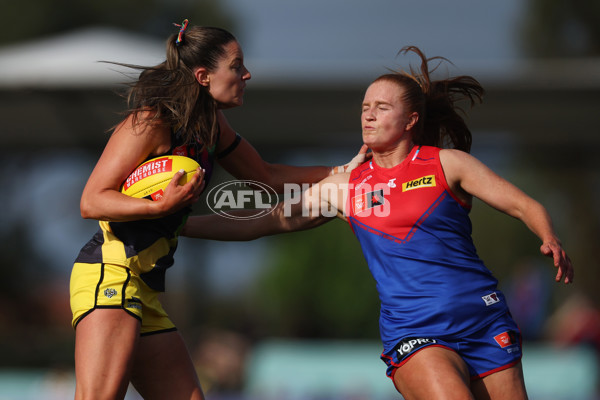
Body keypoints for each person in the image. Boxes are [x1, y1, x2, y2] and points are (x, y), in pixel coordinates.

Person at [182, 46, 574, 400]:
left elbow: (524, 204)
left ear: (410, 119)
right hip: (416, 331)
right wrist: (180, 224)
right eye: (365, 107)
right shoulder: (345, 186)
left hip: (484, 317)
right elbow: (259, 223)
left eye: (382, 107)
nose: (368, 113)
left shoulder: (445, 164)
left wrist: (549, 237)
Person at [70, 20, 367, 400]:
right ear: (203, 76)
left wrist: (344, 171)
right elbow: (91, 200)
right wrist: (159, 207)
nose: (247, 73)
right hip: (109, 277)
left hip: (143, 290)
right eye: (236, 65)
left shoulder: (212, 126)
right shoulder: (151, 121)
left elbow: (266, 175)